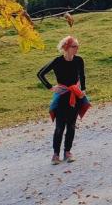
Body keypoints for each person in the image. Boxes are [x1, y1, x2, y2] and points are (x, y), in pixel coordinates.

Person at [37, 35, 90, 164]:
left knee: (71, 126)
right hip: (62, 96)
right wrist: (50, 87)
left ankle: (67, 152)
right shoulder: (57, 61)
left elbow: (82, 75)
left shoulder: (79, 60)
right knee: (60, 127)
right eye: (74, 46)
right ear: (66, 48)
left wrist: (83, 89)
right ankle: (55, 155)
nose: (77, 48)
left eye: (77, 46)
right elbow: (40, 74)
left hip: (75, 95)